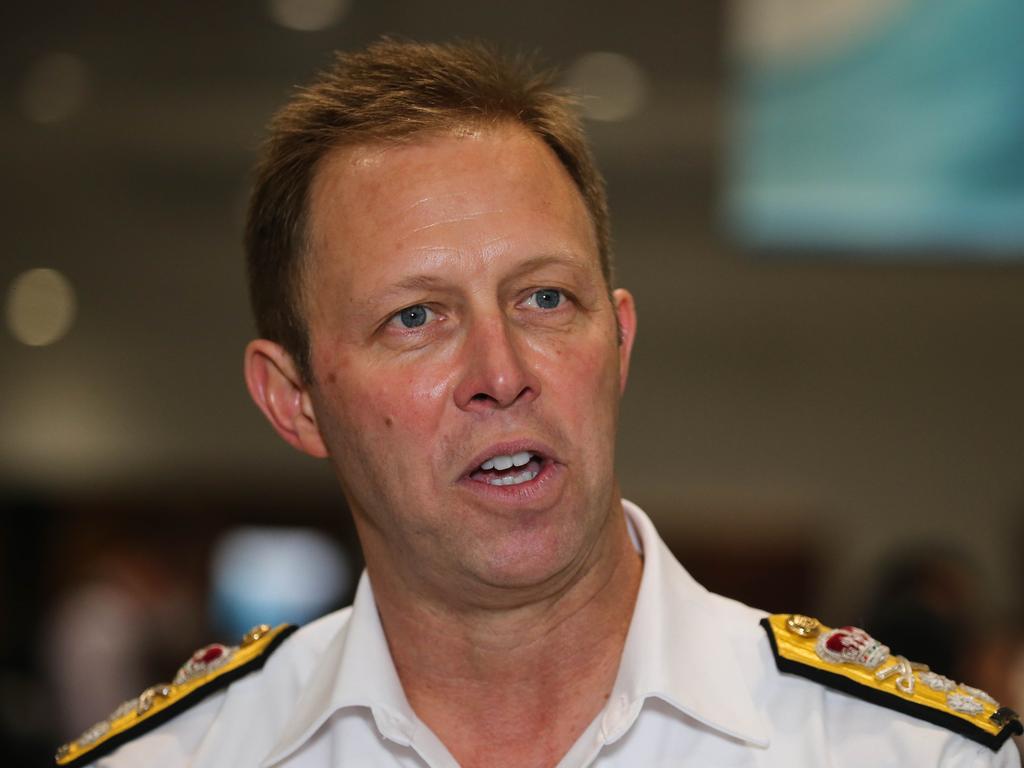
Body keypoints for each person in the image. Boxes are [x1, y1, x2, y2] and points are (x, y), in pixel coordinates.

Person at [56, 39, 1021, 767]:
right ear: (295, 400)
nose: (502, 368)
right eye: (416, 317)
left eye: (545, 298)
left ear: (619, 343)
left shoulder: (902, 754)